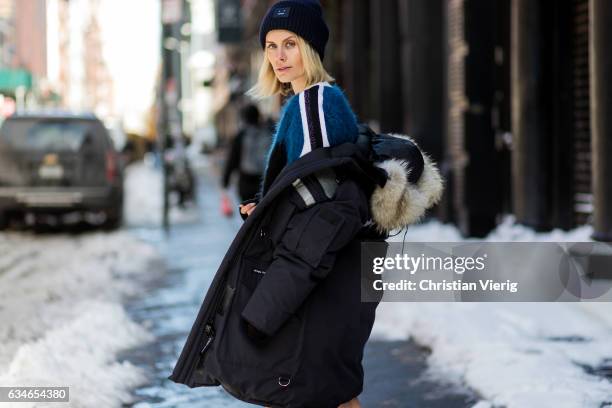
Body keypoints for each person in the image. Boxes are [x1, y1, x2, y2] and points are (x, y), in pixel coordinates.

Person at [169, 1, 443, 407]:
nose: (278, 56)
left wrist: (267, 306)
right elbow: (315, 189)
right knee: (332, 392)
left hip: (321, 282)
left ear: (311, 48)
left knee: (314, 391)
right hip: (337, 275)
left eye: (290, 44)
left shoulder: (313, 104)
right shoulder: (310, 101)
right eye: (271, 45)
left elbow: (324, 213)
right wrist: (267, 207)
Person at [221, 103, 272, 202]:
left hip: (246, 182)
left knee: (248, 211)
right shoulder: (268, 132)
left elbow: (232, 159)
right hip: (264, 181)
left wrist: (225, 182)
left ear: (244, 118)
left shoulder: (241, 136)